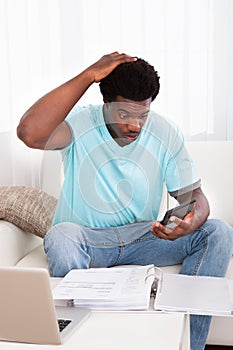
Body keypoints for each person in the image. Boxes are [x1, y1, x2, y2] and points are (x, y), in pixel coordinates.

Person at [17, 52, 233, 350]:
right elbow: (29, 132)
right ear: (106, 104)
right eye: (124, 115)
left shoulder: (164, 131)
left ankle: (190, 345)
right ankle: (82, 341)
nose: (136, 125)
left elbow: (196, 198)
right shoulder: (80, 124)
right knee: (61, 235)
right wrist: (89, 75)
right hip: (88, 242)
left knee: (218, 232)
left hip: (143, 237)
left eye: (142, 115)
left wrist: (191, 220)